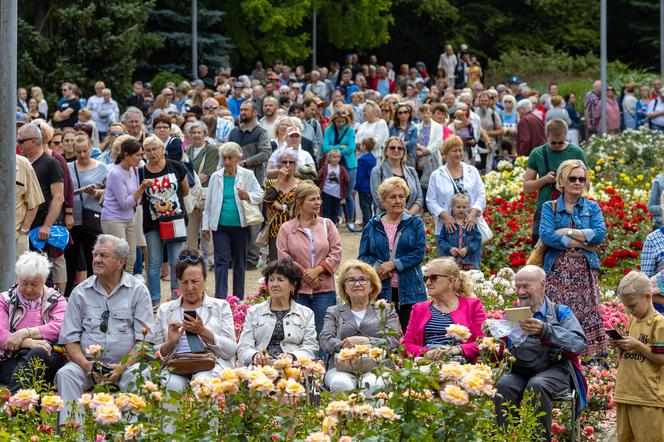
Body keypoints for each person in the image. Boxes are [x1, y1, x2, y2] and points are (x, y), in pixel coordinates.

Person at [56, 235, 154, 424]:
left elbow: (145, 341)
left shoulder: (138, 291)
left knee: (140, 375)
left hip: (126, 366)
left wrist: (122, 367)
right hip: (88, 365)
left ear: (120, 262)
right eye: (95, 255)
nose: (96, 260)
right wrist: (87, 366)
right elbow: (69, 339)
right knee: (65, 374)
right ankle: (74, 434)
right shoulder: (80, 292)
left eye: (103, 255)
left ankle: (131, 434)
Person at [487, 265, 587, 442]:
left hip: (555, 369)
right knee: (504, 385)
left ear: (543, 285)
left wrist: (545, 330)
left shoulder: (560, 312)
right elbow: (503, 352)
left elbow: (578, 343)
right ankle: (507, 438)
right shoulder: (512, 314)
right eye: (517, 286)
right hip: (522, 369)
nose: (520, 291)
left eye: (526, 286)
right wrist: (493, 335)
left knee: (538, 385)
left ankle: (538, 439)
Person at [539, 160, 606, 359]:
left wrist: (567, 231)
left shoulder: (592, 208)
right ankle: (557, 355)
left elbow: (599, 234)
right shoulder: (549, 207)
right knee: (557, 314)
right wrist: (583, 243)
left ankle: (589, 360)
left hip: (584, 274)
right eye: (573, 178)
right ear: (562, 180)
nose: (577, 182)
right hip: (557, 274)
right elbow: (546, 235)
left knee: (587, 315)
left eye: (582, 179)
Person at [154, 249, 237, 393]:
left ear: (205, 279)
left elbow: (231, 350)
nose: (190, 287)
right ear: (177, 282)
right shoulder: (165, 310)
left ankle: (210, 416)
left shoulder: (220, 307)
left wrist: (203, 332)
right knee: (171, 385)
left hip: (211, 364)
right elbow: (154, 355)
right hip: (176, 366)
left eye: (195, 281)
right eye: (184, 282)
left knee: (205, 383)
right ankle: (171, 417)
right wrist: (170, 343)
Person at [319, 260, 400, 395]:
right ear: (344, 287)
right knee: (341, 385)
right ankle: (344, 416)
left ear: (372, 286)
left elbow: (394, 341)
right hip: (342, 367)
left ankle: (374, 416)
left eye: (363, 279)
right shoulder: (334, 311)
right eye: (351, 280)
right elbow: (325, 339)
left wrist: (367, 342)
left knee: (375, 385)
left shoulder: (385, 309)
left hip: (378, 365)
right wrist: (345, 346)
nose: (357, 284)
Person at [359, 177, 427, 331]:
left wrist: (393, 264)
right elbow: (363, 256)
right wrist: (379, 267)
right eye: (392, 197)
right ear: (383, 201)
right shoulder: (372, 225)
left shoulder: (415, 223)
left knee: (412, 333)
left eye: (401, 196)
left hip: (410, 290)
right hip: (381, 288)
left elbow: (419, 253)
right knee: (383, 335)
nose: (398, 201)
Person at [277, 182, 342, 335]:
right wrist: (305, 274)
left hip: (325, 289)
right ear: (300, 202)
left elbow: (336, 252)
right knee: (298, 334)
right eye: (312, 199)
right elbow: (284, 258)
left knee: (324, 334)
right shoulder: (286, 229)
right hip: (297, 290)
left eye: (318, 199)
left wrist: (317, 271)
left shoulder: (328, 225)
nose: (317, 203)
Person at [203, 142, 264, 299]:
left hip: (240, 226)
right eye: (224, 158)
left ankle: (238, 298)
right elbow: (208, 205)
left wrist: (248, 195)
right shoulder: (216, 177)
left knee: (239, 263)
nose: (227, 161)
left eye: (231, 158)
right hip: (220, 226)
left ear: (238, 158)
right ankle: (220, 299)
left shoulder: (247, 175)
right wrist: (205, 227)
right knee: (221, 262)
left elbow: (260, 194)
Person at [0, 252, 67, 393]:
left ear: (44, 281)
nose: (29, 289)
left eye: (34, 284)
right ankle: (20, 403)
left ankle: (15, 406)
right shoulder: (5, 300)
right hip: (12, 359)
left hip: (48, 358)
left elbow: (60, 326)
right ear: (18, 278)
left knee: (38, 352)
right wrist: (27, 342)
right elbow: (1, 333)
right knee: (23, 373)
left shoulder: (56, 300)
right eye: (24, 283)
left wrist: (26, 332)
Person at [612, 271, 664, 441]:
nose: (629, 310)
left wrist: (638, 345)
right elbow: (629, 353)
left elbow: (662, 358)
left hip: (647, 398)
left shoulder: (659, 323)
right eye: (626, 306)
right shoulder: (633, 320)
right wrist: (620, 345)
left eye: (632, 305)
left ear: (648, 296)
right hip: (625, 393)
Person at [237, 259, 318, 366]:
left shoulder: (306, 313)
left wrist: (292, 356)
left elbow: (311, 347)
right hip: (260, 369)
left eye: (280, 279)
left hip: (292, 368)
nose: (274, 284)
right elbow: (244, 347)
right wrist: (255, 355)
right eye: (271, 280)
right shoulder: (254, 312)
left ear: (293, 285)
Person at [403, 258, 486, 361]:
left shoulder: (473, 305)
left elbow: (483, 342)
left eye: (433, 277)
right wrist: (426, 353)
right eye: (426, 278)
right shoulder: (419, 309)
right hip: (428, 364)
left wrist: (457, 349)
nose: (428, 283)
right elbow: (407, 345)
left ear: (451, 281)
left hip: (461, 366)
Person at [140, 136, 190, 307]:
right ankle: (154, 300)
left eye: (155, 149)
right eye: (148, 150)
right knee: (154, 261)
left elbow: (185, 190)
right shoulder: (141, 172)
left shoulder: (175, 166)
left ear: (162, 149)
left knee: (177, 261)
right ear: (144, 153)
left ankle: (176, 299)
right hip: (152, 223)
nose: (152, 153)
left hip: (175, 219)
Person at [17, 123, 67, 290]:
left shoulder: (51, 163)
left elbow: (58, 197)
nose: (18, 144)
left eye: (21, 141)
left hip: (41, 226)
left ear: (34, 141)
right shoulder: (21, 163)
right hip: (24, 227)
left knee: (43, 270)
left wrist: (47, 225)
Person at [523, 119, 587, 243]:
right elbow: (527, 187)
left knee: (572, 249)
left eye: (560, 142)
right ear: (547, 136)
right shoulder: (537, 153)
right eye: (553, 143)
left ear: (566, 135)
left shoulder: (576, 152)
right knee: (538, 250)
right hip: (544, 208)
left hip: (573, 209)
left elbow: (587, 184)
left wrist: (569, 181)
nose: (557, 145)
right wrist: (545, 179)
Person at [227, 100, 271, 269]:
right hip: (233, 183)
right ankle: (235, 259)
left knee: (253, 222)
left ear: (254, 112)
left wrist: (244, 164)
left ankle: (251, 260)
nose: (242, 112)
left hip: (254, 184)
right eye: (241, 109)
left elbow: (265, 153)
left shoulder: (261, 133)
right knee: (235, 221)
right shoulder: (233, 132)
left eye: (246, 109)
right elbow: (227, 151)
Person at [65, 132, 108, 296]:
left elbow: (110, 191)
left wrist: (96, 192)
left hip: (93, 220)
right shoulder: (68, 168)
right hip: (72, 221)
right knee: (71, 260)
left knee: (94, 259)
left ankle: (95, 293)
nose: (82, 155)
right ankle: (67, 295)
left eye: (85, 151)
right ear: (74, 151)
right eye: (79, 152)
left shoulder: (101, 168)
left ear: (91, 149)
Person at [101, 138, 150, 274]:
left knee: (131, 258)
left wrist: (139, 191)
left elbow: (136, 200)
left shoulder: (133, 170)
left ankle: (126, 290)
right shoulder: (115, 173)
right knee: (118, 259)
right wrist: (142, 188)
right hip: (113, 219)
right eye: (138, 155)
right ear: (126, 155)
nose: (140, 158)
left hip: (129, 218)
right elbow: (124, 204)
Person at [427, 135, 487, 245]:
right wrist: (445, 216)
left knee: (470, 260)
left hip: (470, 228)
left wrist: (473, 213)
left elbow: (481, 194)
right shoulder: (436, 175)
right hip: (447, 229)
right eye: (454, 151)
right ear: (445, 154)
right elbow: (431, 201)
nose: (459, 154)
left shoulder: (472, 171)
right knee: (446, 261)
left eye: (460, 150)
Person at [322, 107, 359, 232]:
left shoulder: (350, 130)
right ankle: (334, 220)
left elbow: (351, 148)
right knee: (333, 191)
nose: (340, 124)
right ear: (334, 120)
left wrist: (334, 151)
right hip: (332, 164)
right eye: (338, 121)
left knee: (348, 194)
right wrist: (339, 148)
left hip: (348, 164)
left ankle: (350, 221)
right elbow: (325, 147)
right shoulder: (328, 130)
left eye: (343, 121)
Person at [184, 121, 219, 253]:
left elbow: (207, 174)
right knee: (191, 229)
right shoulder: (187, 150)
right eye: (193, 132)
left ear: (205, 134)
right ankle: (191, 255)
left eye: (199, 132)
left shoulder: (211, 149)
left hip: (205, 194)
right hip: (190, 195)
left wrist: (189, 183)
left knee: (207, 227)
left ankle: (209, 258)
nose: (196, 135)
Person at [263, 149, 300, 263]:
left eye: (291, 162)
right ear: (279, 165)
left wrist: (280, 206)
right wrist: (279, 182)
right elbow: (267, 201)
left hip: (296, 231)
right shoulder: (271, 183)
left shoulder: (301, 185)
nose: (287, 165)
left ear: (295, 165)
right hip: (275, 232)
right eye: (284, 162)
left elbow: (299, 208)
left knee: (294, 266)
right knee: (276, 266)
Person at [370, 137, 423, 215]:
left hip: (410, 220)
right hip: (386, 219)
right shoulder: (377, 171)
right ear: (386, 151)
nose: (396, 150)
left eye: (400, 148)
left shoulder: (412, 171)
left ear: (404, 152)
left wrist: (409, 214)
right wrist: (401, 213)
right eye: (392, 148)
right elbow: (379, 200)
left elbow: (419, 198)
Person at [436, 194, 482, 269]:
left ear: (468, 208)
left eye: (464, 207)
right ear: (452, 207)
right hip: (452, 263)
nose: (461, 209)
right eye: (458, 207)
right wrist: (449, 248)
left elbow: (478, 240)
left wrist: (467, 249)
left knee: (469, 279)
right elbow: (441, 240)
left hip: (469, 263)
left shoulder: (471, 224)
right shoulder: (448, 224)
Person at [15, 154, 44, 260]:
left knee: (17, 275)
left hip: (16, 237)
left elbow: (34, 201)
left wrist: (23, 231)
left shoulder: (23, 164)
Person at [317, 149, 349, 225]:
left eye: (338, 157)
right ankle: (326, 226)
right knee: (326, 211)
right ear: (329, 158)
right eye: (334, 157)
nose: (336, 159)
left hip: (337, 193)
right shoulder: (325, 168)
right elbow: (318, 177)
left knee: (335, 211)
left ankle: (333, 225)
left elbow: (347, 179)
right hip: (326, 192)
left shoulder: (341, 169)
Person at [355, 137, 377, 227]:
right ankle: (370, 224)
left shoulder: (362, 159)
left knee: (365, 208)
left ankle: (366, 226)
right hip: (371, 186)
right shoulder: (373, 157)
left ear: (364, 146)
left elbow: (360, 175)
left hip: (363, 187)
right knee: (370, 207)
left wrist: (356, 187)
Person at [389, 103, 418, 168]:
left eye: (405, 112)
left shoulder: (414, 128)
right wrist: (404, 144)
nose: (403, 114)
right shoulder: (392, 128)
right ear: (397, 115)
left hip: (408, 156)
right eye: (400, 113)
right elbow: (388, 142)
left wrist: (397, 145)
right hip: (393, 155)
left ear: (409, 114)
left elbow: (412, 144)